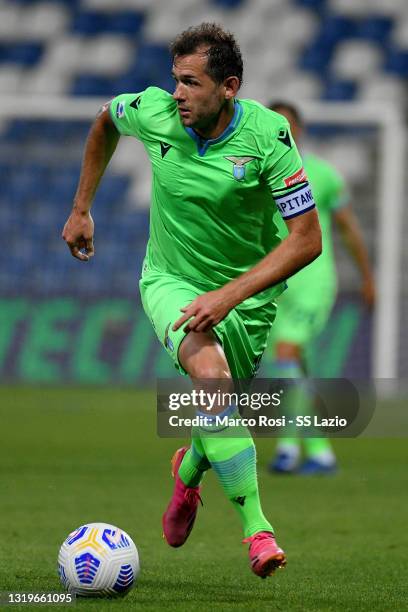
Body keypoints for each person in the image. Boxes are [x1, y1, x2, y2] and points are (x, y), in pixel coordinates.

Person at [62, 23, 322, 578]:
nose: (176, 93)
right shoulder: (154, 111)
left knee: (220, 409)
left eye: (190, 83)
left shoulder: (269, 136)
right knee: (213, 381)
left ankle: (187, 474)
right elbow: (106, 120)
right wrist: (83, 207)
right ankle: (258, 531)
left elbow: (307, 239)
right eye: (174, 80)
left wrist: (229, 295)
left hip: (245, 297)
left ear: (228, 87)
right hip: (170, 282)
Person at [267, 101, 375, 475]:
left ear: (299, 130)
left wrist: (367, 277)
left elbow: (347, 228)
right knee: (295, 368)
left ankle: (289, 449)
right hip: (273, 283)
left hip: (312, 280)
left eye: (288, 125)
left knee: (287, 352)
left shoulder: (323, 175)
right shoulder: (255, 174)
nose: (284, 131)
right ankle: (319, 453)